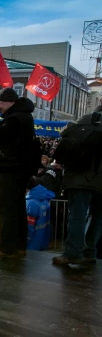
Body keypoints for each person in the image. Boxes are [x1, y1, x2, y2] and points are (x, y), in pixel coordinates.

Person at [0, 87, 35, 258]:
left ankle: (6, 247)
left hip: (12, 168)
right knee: (19, 208)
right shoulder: (24, 115)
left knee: (8, 209)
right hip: (21, 169)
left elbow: (0, 136)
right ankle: (20, 245)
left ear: (9, 102)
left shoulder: (15, 119)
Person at [52, 109, 102, 266]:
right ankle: (89, 252)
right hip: (99, 181)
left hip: (80, 179)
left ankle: (73, 252)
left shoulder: (85, 121)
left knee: (77, 216)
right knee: (97, 217)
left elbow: (65, 137)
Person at [26, 185, 55, 251]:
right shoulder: (45, 202)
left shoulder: (31, 203)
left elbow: (29, 226)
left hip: (31, 244)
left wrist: (26, 240)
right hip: (40, 241)